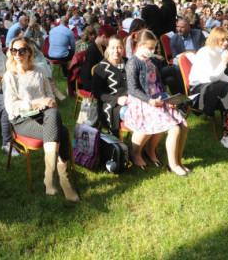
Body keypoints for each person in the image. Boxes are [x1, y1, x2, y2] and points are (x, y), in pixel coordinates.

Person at [3, 36, 79, 201]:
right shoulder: (10, 76)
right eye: (13, 50)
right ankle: (64, 182)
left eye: (21, 50)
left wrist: (50, 101)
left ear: (29, 52)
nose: (17, 54)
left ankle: (50, 178)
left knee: (53, 112)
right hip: (22, 119)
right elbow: (11, 107)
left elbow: (49, 94)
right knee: (63, 131)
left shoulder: (40, 69)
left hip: (43, 114)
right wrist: (34, 102)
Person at [124, 30, 190, 176]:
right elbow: (133, 89)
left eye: (154, 48)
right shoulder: (132, 63)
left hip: (158, 99)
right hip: (143, 102)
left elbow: (158, 83)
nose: (152, 51)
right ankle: (171, 164)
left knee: (184, 125)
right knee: (174, 129)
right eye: (150, 48)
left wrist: (168, 99)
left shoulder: (151, 61)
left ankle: (178, 161)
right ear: (140, 45)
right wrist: (150, 100)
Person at [92, 35, 128, 137]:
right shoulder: (102, 67)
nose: (116, 51)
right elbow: (96, 92)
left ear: (123, 48)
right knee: (137, 115)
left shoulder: (128, 62)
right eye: (113, 47)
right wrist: (117, 100)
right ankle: (135, 150)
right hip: (111, 106)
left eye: (119, 47)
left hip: (132, 101)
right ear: (107, 48)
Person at [81, 25, 115, 92]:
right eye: (110, 40)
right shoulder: (92, 50)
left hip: (101, 78)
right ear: (103, 37)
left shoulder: (103, 47)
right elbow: (89, 73)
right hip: (91, 82)